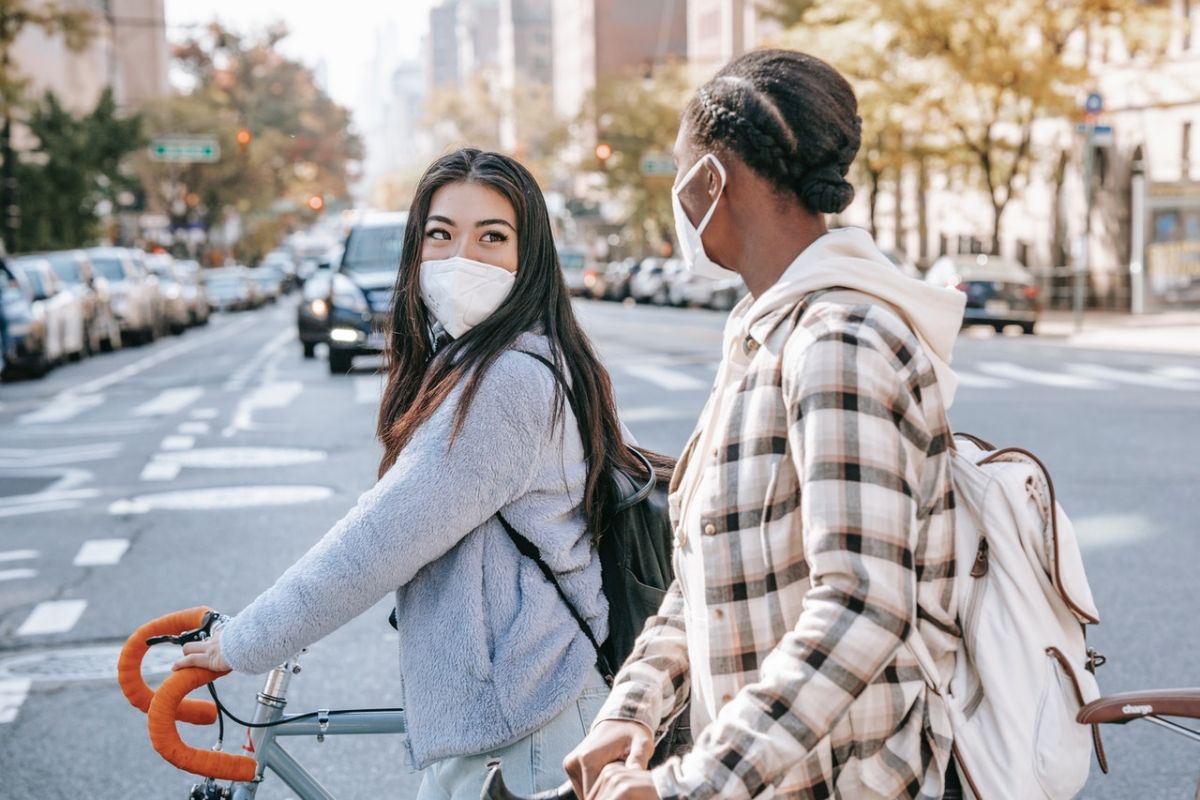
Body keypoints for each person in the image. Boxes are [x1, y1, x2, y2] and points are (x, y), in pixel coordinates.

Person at [172, 149, 645, 799]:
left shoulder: (505, 382)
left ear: (529, 255)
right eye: (441, 235)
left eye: (493, 237)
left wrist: (243, 642)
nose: (462, 259)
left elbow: (379, 540)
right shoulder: (497, 360)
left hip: (525, 727)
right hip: (513, 715)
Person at [565, 49, 968, 799]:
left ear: (712, 180)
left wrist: (693, 782)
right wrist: (632, 710)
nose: (679, 205)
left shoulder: (839, 342)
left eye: (683, 178)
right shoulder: (762, 338)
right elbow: (703, 581)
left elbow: (861, 605)